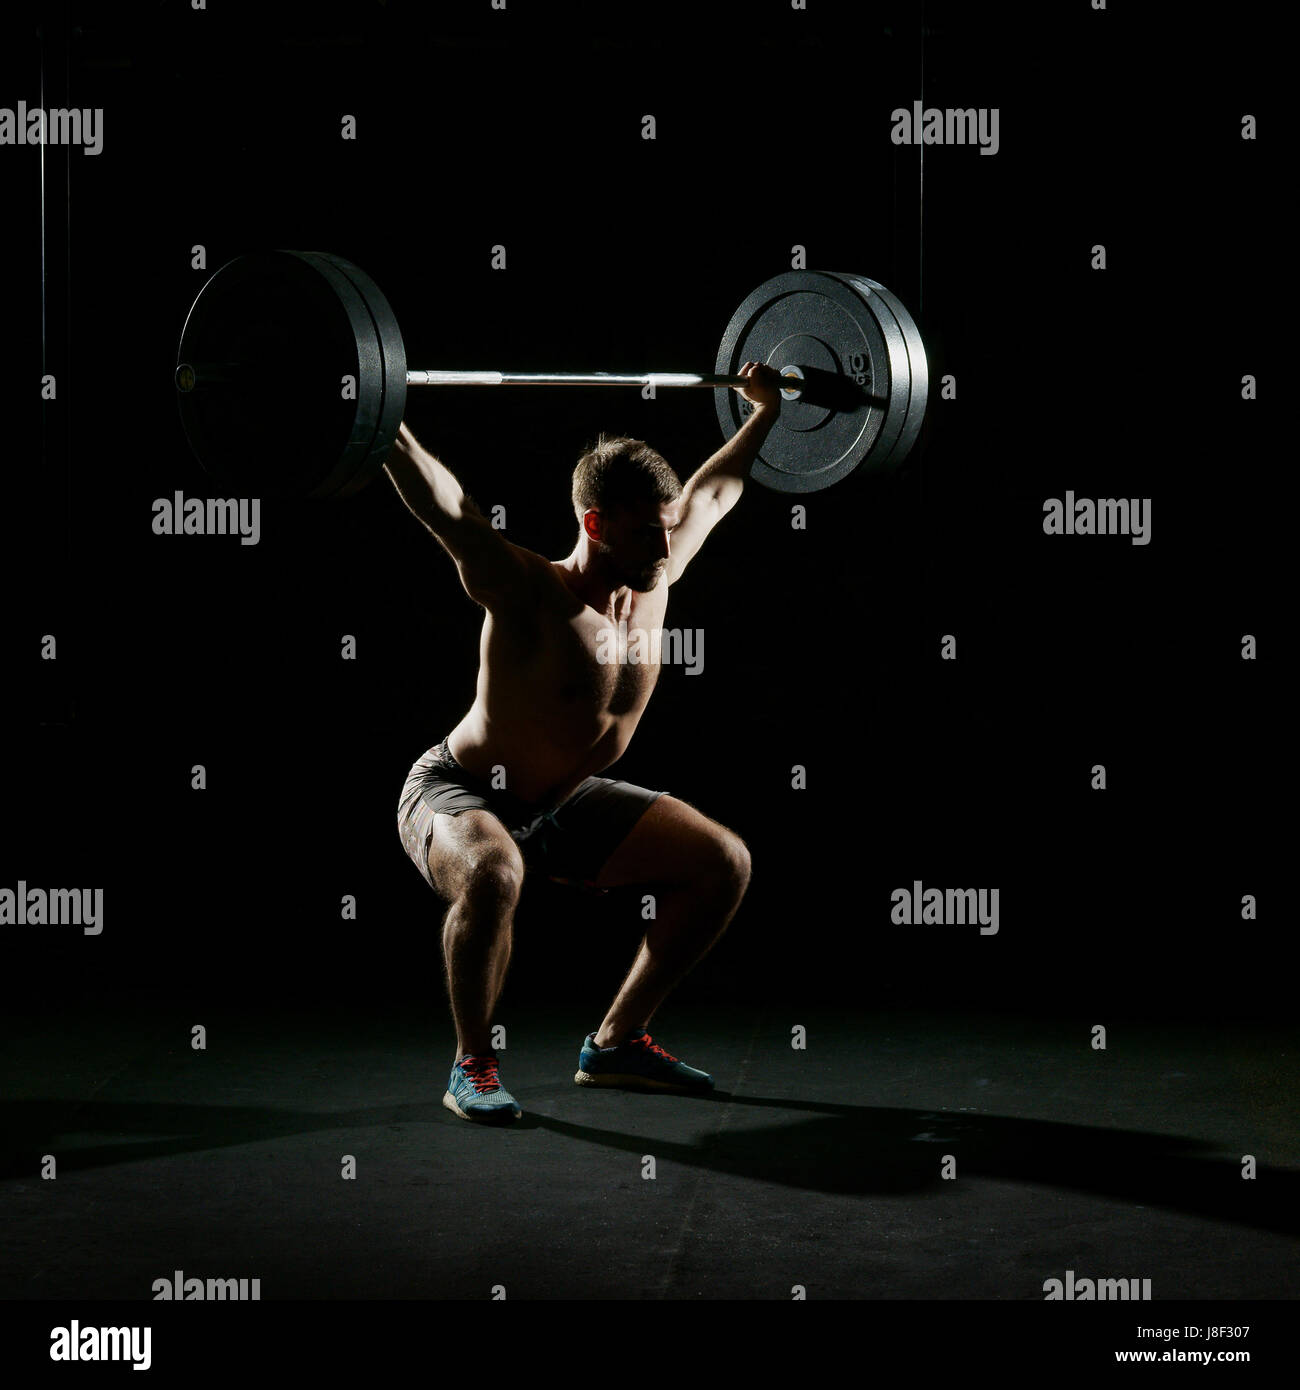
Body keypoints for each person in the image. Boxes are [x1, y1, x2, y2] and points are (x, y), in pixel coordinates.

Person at [388, 363, 784, 1122]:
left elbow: (717, 490)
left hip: (562, 802)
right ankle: (472, 1065)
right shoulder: (528, 591)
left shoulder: (657, 570)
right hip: (460, 792)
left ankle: (616, 1043)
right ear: (595, 523)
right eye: (645, 527)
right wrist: (380, 423)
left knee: (723, 862)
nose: (665, 541)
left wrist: (765, 412)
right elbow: (451, 511)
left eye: (665, 525)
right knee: (496, 872)